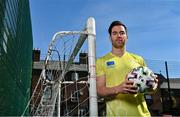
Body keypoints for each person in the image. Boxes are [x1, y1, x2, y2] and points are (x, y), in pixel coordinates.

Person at [96, 20, 157, 116]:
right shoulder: (101, 61)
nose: (118, 36)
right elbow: (100, 90)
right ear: (110, 37)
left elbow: (151, 90)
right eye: (114, 33)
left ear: (127, 37)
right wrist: (119, 89)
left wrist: (153, 85)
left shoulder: (138, 59)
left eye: (122, 33)